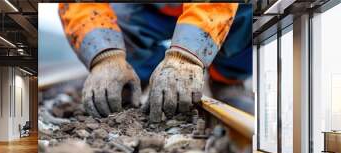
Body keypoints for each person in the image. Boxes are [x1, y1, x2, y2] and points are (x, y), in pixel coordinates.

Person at [59, 3, 253, 122]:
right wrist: (105, 55)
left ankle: (228, 80)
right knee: (118, 16)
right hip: (146, 9)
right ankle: (131, 78)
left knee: (246, 11)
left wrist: (187, 56)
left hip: (211, 7)